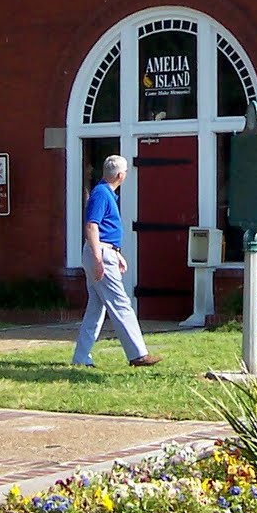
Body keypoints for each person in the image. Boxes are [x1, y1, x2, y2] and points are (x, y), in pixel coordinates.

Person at [72, 154, 162, 368]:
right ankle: (138, 354)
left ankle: (81, 357)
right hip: (100, 253)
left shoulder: (105, 193)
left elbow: (103, 229)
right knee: (121, 303)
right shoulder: (102, 194)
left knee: (96, 307)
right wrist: (98, 259)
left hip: (104, 251)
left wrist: (116, 253)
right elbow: (92, 226)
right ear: (121, 175)